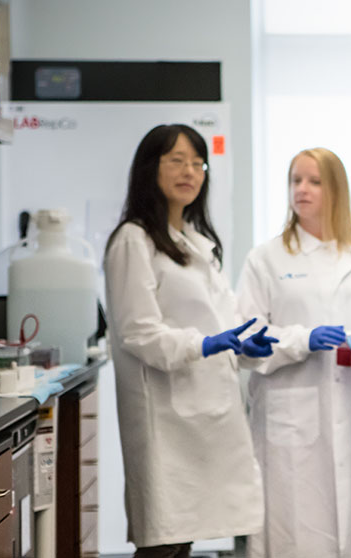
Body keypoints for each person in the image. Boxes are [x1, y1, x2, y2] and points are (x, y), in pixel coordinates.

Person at [104, 124, 277, 558]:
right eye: (176, 160)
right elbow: (139, 333)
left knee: (182, 542)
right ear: (150, 168)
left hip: (205, 417)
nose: (190, 171)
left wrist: (242, 346)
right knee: (164, 542)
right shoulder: (134, 240)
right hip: (166, 420)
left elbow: (224, 319)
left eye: (198, 163)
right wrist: (206, 344)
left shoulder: (197, 244)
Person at [234, 147, 351, 558]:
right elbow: (246, 336)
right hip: (290, 422)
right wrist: (301, 340)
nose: (301, 190)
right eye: (295, 180)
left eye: (314, 181)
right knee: (297, 532)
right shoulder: (267, 258)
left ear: (336, 189)